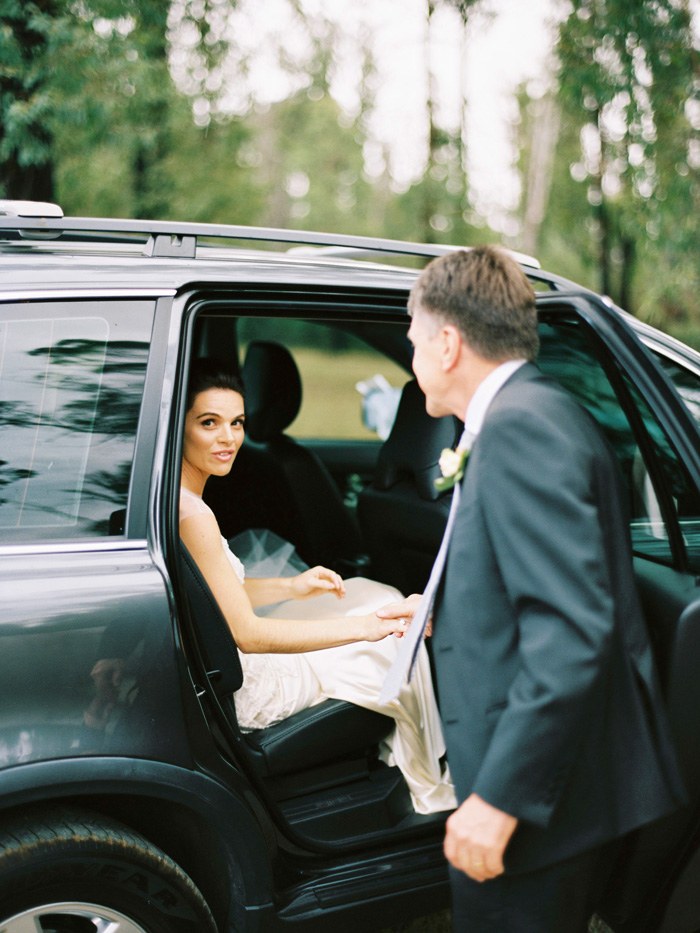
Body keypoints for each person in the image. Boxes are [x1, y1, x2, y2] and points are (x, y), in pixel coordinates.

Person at [377, 247, 685, 930]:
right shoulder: (536, 407)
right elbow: (536, 580)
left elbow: (572, 630)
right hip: (567, 786)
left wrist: (499, 800)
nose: (409, 348)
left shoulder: (520, 428)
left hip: (544, 802)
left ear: (449, 343)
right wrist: (445, 614)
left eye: (413, 333)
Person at [179, 357, 456, 815]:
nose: (228, 439)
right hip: (249, 684)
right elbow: (249, 635)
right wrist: (369, 628)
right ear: (180, 427)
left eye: (237, 423)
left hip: (221, 659)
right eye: (209, 423)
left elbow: (217, 597)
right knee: (382, 634)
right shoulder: (195, 517)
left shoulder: (181, 501)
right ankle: (422, 779)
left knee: (370, 590)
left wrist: (293, 586)